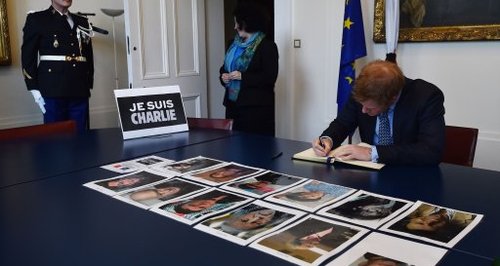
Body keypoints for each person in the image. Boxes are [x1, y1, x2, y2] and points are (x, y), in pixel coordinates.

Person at [312, 60, 445, 165]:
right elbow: (342, 123)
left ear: (392, 98)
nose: (363, 110)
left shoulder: (426, 97)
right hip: (367, 172)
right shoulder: (362, 92)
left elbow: (430, 151)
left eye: (370, 109)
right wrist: (327, 139)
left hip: (409, 174)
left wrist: (372, 153)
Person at [21, 0, 94, 132]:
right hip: (52, 89)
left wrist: (88, 82)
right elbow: (28, 55)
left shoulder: (82, 21)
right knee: (56, 138)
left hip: (79, 87)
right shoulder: (37, 19)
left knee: (81, 137)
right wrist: (33, 88)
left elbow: (88, 55)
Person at [219, 2, 279, 136]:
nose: (234, 27)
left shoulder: (267, 46)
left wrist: (242, 77)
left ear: (247, 22)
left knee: (254, 151)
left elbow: (270, 77)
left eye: (237, 22)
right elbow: (224, 68)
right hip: (232, 106)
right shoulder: (232, 44)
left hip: (256, 111)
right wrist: (223, 76)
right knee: (232, 148)